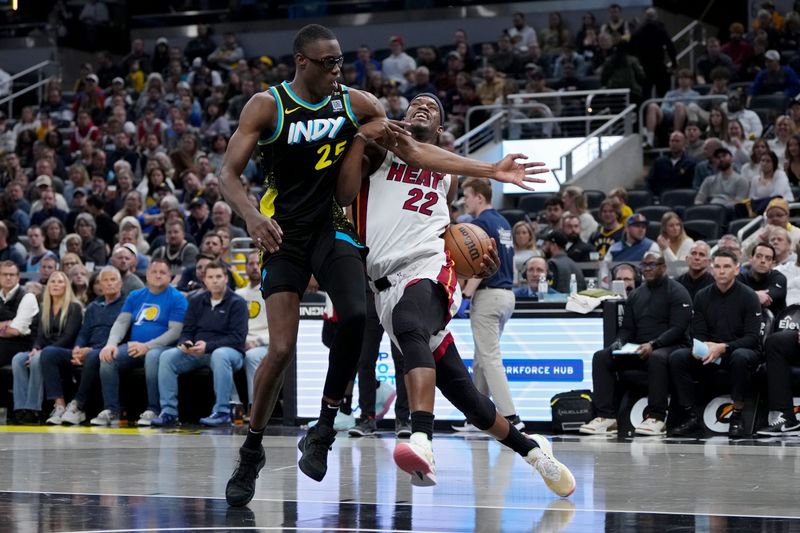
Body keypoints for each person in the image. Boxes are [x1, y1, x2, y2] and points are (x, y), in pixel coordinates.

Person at [220, 24, 546, 507]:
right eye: (328, 63)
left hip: (335, 226)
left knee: (355, 316)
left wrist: (491, 169)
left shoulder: (359, 103)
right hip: (282, 232)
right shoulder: (267, 106)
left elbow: (412, 149)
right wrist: (250, 216)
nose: (338, 70)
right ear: (302, 62)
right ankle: (252, 450)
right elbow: (226, 173)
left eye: (340, 62)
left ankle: (326, 425)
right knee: (282, 348)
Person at [337, 92, 574, 495]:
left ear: (442, 129)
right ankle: (535, 453)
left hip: (428, 267)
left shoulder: (447, 173)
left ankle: (422, 441)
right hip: (383, 284)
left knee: (410, 324)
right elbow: (346, 196)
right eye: (415, 104)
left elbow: (440, 222)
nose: (421, 107)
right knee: (467, 397)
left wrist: (474, 254)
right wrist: (361, 139)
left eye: (432, 106)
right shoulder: (381, 150)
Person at [580, 251, 692, 436]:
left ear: (663, 267)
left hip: (672, 346)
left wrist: (654, 344)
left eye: (652, 265)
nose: (647, 269)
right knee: (601, 357)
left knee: (657, 357)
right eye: (644, 265)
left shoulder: (678, 291)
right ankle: (607, 417)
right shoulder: (636, 295)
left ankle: (657, 417)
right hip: (640, 348)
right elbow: (627, 329)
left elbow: (678, 329)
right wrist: (618, 343)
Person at [669, 250, 762, 437]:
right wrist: (701, 347)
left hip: (740, 350)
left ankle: (737, 415)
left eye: (727, 267)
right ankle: (691, 416)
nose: (721, 271)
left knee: (740, 356)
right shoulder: (702, 296)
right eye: (717, 267)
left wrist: (724, 347)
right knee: (678, 357)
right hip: (712, 351)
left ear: (737, 270)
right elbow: (699, 333)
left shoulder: (749, 296)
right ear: (712, 270)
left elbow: (753, 338)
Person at [460, 178, 526, 431]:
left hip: (488, 295)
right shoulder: (503, 222)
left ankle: (511, 417)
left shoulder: (479, 224)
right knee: (481, 358)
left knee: (489, 357)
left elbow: (478, 266)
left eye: (466, 195)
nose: (463, 201)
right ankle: (477, 417)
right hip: (506, 295)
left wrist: (465, 296)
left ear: (479, 197)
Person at [151, 261, 248, 427]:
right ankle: (169, 412)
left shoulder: (238, 303)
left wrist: (208, 346)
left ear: (226, 279)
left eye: (219, 276)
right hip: (197, 351)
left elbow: (237, 338)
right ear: (205, 280)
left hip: (230, 353)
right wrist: (185, 342)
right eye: (211, 277)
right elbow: (187, 330)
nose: (215, 280)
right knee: (167, 356)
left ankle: (223, 412)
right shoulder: (196, 301)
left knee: (220, 354)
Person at [95, 259, 187, 426]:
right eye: (154, 272)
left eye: (162, 272)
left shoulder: (177, 298)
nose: (158, 275)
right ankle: (111, 410)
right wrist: (111, 344)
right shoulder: (135, 295)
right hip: (134, 347)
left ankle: (153, 409)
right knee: (108, 358)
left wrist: (148, 346)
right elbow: (122, 322)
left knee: (152, 357)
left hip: (162, 348)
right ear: (147, 275)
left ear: (170, 276)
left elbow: (175, 331)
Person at [39, 266, 124, 425]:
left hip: (107, 350)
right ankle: (59, 406)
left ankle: (78, 405)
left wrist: (89, 351)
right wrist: (78, 348)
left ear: (120, 284)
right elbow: (84, 333)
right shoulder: (93, 306)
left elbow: (122, 334)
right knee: (49, 353)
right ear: (99, 285)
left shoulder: (126, 305)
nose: (109, 284)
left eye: (113, 280)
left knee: (92, 355)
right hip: (86, 349)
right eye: (105, 280)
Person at [11, 271, 83, 425]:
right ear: (48, 285)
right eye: (53, 281)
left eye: (60, 282)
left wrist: (42, 352)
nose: (56, 284)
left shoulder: (74, 308)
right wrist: (36, 348)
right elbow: (39, 335)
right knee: (18, 359)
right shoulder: (43, 307)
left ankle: (33, 409)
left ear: (66, 286)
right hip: (44, 351)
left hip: (65, 351)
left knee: (40, 358)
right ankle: (20, 408)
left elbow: (68, 337)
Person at [236, 252, 269, 412]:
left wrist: (256, 342)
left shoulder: (271, 292)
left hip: (265, 344)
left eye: (258, 263)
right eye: (251, 264)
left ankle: (255, 408)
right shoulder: (238, 295)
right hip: (239, 342)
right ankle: (233, 405)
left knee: (252, 356)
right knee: (221, 355)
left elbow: (279, 329)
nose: (255, 267)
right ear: (246, 268)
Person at [737, 242, 787, 315]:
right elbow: (731, 296)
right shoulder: (740, 277)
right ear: (751, 259)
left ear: (773, 264)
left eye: (768, 258)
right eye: (758, 256)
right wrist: (755, 295)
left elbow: (767, 297)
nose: (763, 261)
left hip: (774, 324)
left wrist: (745, 296)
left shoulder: (779, 278)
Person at [646, 131, 696, 197]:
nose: (674, 143)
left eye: (677, 141)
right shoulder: (659, 162)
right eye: (672, 141)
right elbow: (650, 182)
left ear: (684, 143)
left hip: (682, 198)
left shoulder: (691, 163)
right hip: (660, 197)